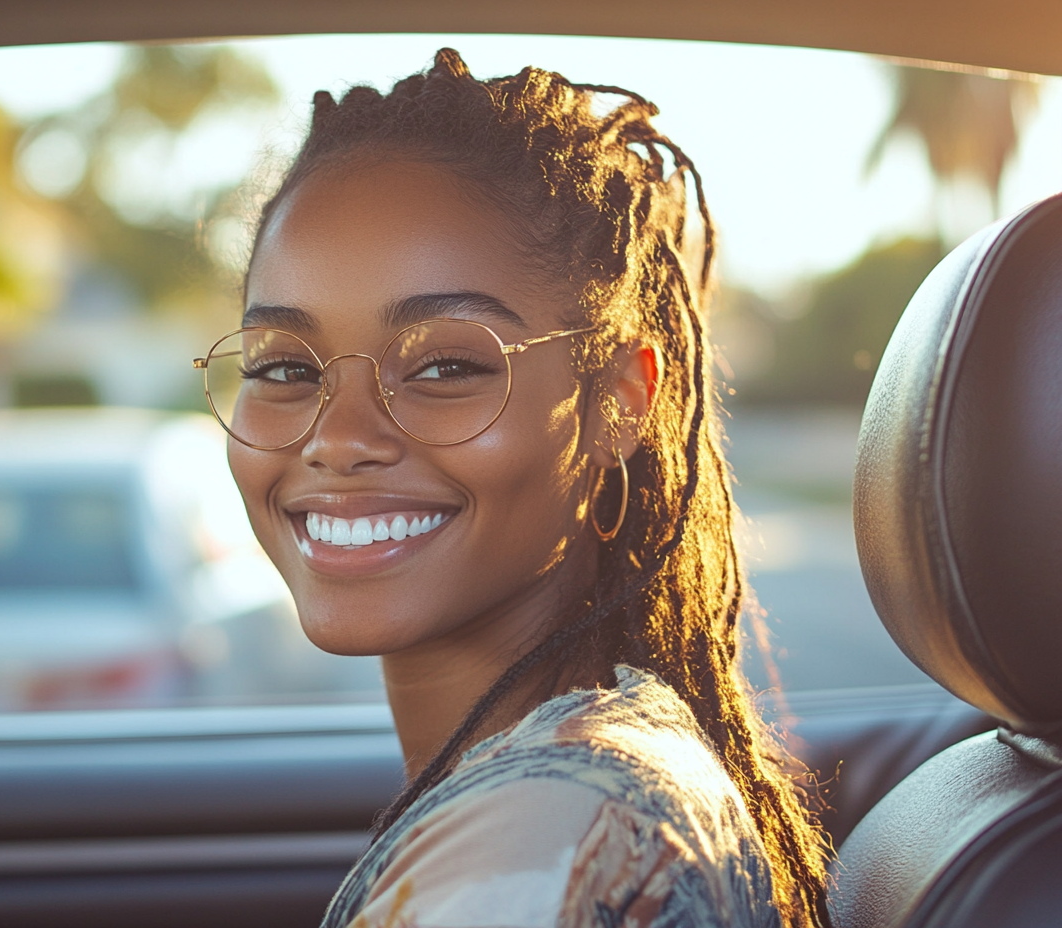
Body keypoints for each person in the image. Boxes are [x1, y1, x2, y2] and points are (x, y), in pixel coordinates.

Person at [199, 48, 831, 928]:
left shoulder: (540, 849)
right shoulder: (583, 787)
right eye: (285, 369)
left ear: (616, 404)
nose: (337, 436)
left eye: (447, 365)